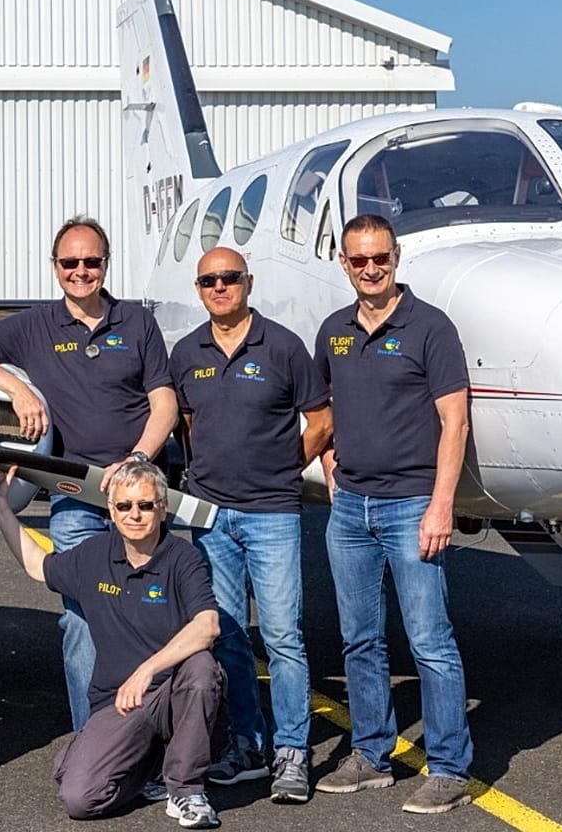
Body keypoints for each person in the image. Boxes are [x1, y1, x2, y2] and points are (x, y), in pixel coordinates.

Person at [0, 215, 177, 731]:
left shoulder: (137, 322)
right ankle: (93, 739)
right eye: (69, 263)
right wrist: (17, 388)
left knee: (154, 619)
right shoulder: (35, 326)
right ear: (55, 268)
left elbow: (164, 402)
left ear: (105, 264)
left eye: (90, 262)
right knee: (81, 623)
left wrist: (138, 457)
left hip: (137, 496)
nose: (80, 271)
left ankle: (153, 740)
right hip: (75, 498)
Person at [312, 214, 474, 814]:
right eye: (359, 261)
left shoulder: (431, 327)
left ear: (397, 256)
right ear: (344, 263)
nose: (371, 269)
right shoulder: (333, 331)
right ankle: (372, 755)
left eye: (380, 258)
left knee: (430, 641)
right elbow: (322, 411)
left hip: (412, 507)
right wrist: (331, 469)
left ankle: (451, 767)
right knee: (359, 640)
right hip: (350, 508)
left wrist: (440, 505)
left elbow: (455, 422)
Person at [169, 246, 333, 801]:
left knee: (285, 637)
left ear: (248, 283)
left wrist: (286, 465)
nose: (220, 287)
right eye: (209, 280)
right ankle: (247, 744)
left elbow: (322, 419)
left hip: (272, 514)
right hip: (211, 515)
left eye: (230, 278)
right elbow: (187, 423)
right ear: (199, 289)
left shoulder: (284, 346)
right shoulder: (186, 351)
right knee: (229, 637)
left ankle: (292, 752)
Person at [0, 461, 223, 829]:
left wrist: (147, 670)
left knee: (202, 667)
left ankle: (186, 790)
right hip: (119, 703)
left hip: (171, 693)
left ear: (163, 507)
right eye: (124, 506)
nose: (135, 514)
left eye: (145, 505)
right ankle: (146, 769)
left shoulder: (182, 558)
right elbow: (37, 565)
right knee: (80, 799)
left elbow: (207, 626)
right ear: (111, 510)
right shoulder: (93, 555)